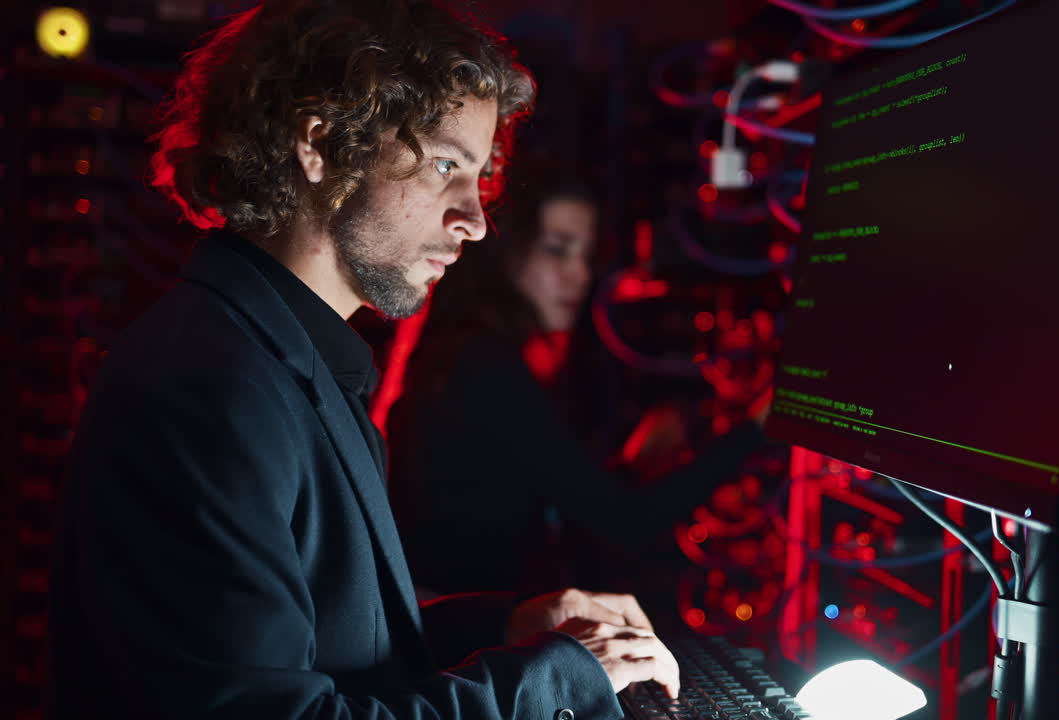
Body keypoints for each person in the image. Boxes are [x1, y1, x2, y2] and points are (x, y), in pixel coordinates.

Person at [48, 2, 681, 717]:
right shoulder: (212, 387)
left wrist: (507, 627)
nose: (474, 220)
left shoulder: (281, 355)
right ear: (318, 145)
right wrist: (555, 681)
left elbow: (325, 647)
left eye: (477, 178)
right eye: (446, 165)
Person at [386, 177, 770, 598]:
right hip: (450, 641)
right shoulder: (486, 369)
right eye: (557, 249)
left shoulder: (468, 353)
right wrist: (759, 426)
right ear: (505, 251)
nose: (581, 274)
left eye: (587, 255)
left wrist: (631, 466)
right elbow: (626, 522)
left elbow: (547, 492)